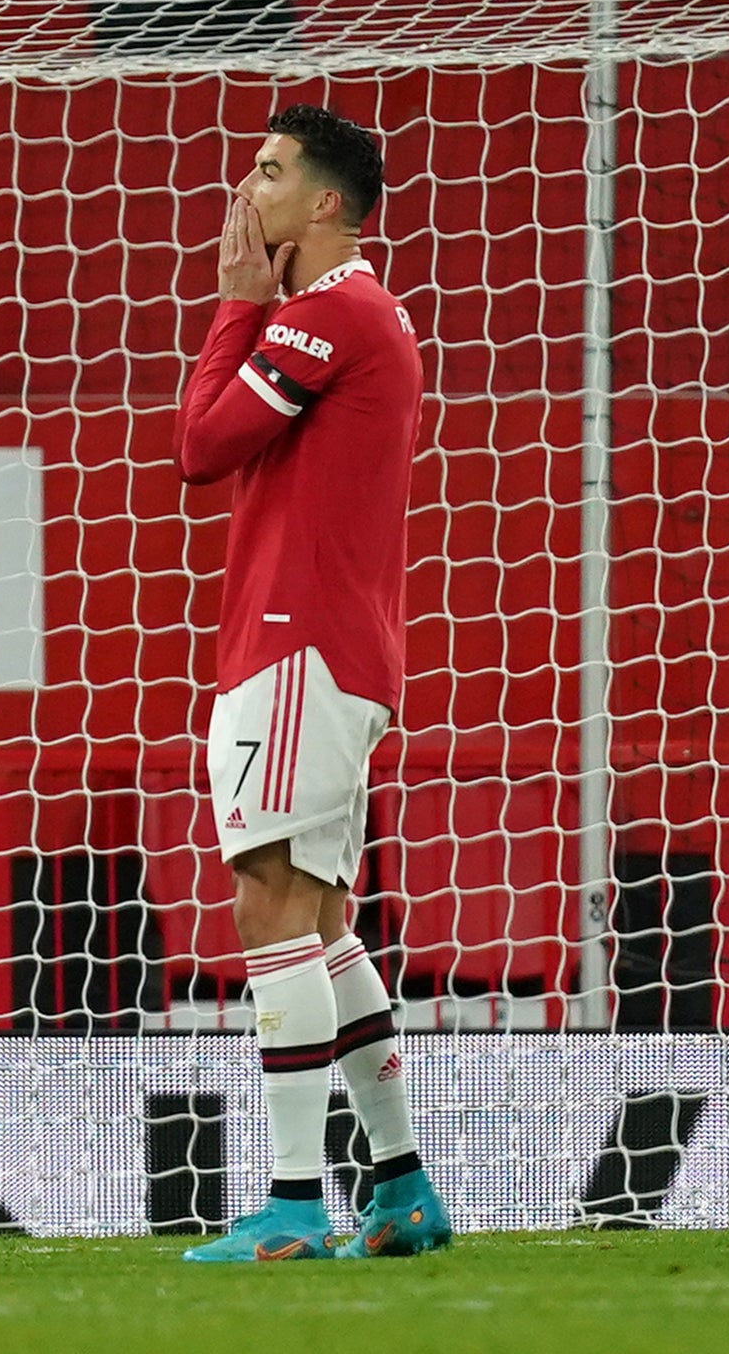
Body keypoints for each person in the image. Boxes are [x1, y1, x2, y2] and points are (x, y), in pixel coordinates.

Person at [170, 105, 451, 1262]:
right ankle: (397, 1187)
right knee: (322, 921)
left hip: (296, 647)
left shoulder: (325, 315)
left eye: (270, 173)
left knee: (270, 909)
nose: (249, 192)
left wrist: (235, 299)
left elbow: (199, 445)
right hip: (329, 650)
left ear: (326, 204)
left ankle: (291, 1202)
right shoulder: (347, 316)